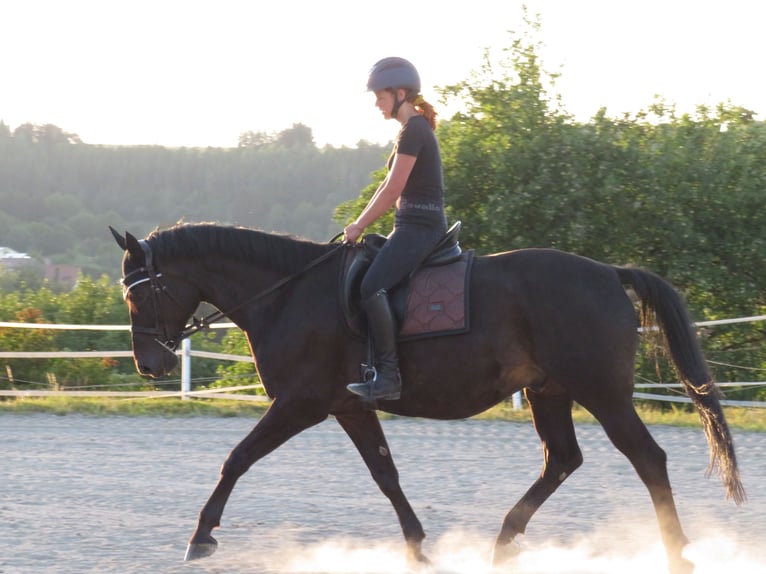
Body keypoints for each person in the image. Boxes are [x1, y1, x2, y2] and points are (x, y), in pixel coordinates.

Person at [344, 57, 448, 401]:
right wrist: (359, 222)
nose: (377, 103)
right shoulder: (411, 130)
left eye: (380, 96)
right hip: (410, 225)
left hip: (420, 227)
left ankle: (388, 377)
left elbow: (393, 190)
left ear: (401, 93)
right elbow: (385, 186)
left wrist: (360, 223)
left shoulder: (415, 130)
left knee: (372, 286)